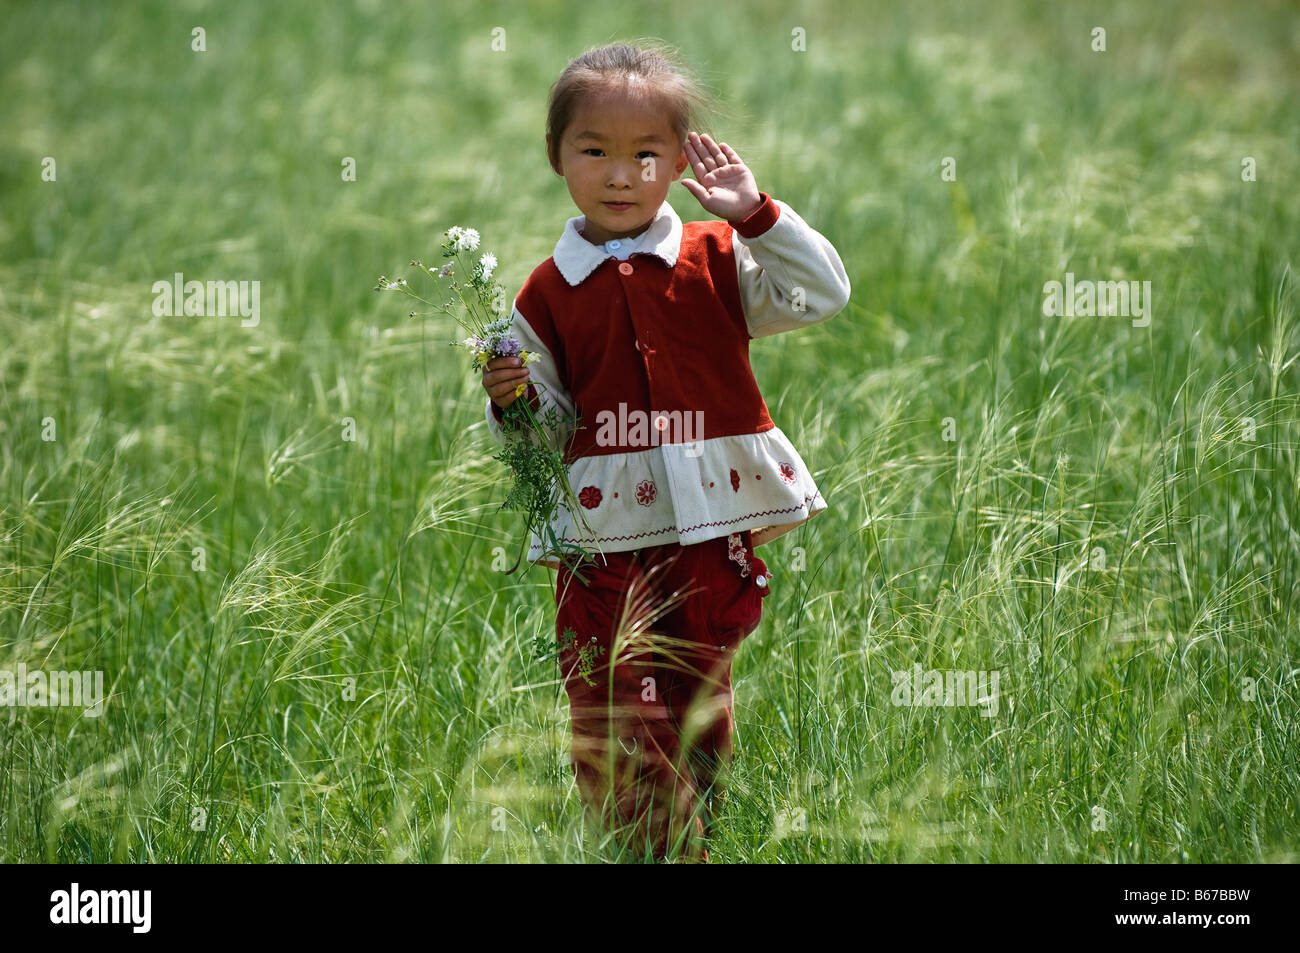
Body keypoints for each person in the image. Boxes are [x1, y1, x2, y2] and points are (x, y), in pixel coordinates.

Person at [480, 41, 851, 861]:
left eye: (647, 154)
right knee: (613, 703)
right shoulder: (546, 291)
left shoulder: (718, 256)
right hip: (603, 541)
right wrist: (511, 399)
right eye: (596, 152)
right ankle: (644, 844)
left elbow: (822, 292)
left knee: (696, 696)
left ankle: (698, 835)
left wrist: (755, 212)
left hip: (711, 532)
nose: (621, 175)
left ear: (680, 159)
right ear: (556, 158)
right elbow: (544, 433)